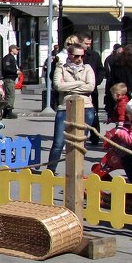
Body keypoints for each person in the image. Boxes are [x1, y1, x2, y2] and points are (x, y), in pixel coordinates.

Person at [47, 44, 96, 174]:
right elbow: (58, 86)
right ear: (69, 55)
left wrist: (68, 86)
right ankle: (50, 170)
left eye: (82, 56)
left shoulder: (88, 68)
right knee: (58, 142)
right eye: (76, 56)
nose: (79, 59)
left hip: (86, 106)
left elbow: (90, 87)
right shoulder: (61, 68)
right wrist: (80, 83)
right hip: (65, 107)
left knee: (79, 142)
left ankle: (76, 171)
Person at [95, 97, 132, 184]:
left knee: (125, 160)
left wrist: (119, 132)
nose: (127, 115)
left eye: (128, 113)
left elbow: (131, 140)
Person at [79, 33, 106, 145]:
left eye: (90, 43)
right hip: (78, 90)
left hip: (92, 90)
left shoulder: (94, 55)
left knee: (93, 114)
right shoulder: (74, 54)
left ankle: (95, 136)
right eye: (86, 43)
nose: (88, 45)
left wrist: (96, 81)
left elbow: (101, 70)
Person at [104, 44, 132, 121]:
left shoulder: (117, 64)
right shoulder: (127, 68)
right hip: (129, 97)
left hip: (118, 97)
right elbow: (130, 85)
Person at [0, 44, 20, 118]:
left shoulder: (12, 58)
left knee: (9, 95)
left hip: (11, 79)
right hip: (9, 79)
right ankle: (8, 112)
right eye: (16, 49)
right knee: (10, 96)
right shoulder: (8, 58)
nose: (17, 51)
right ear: (12, 49)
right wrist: (15, 71)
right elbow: (7, 68)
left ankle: (6, 112)